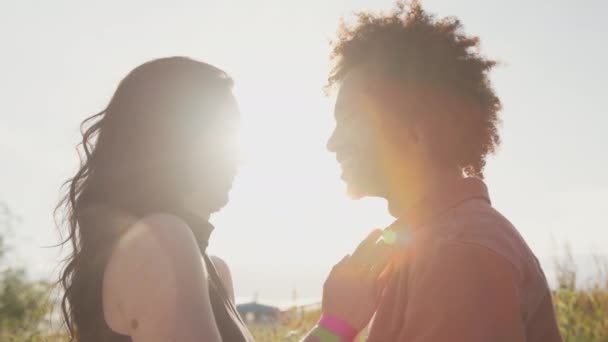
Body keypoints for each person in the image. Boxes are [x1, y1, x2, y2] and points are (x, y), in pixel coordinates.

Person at [57, 57, 388, 342]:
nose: (239, 158)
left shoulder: (210, 267)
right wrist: (335, 324)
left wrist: (334, 322)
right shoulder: (161, 240)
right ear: (177, 140)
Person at [325, 2, 563, 341]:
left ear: (416, 128)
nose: (332, 143)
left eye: (348, 117)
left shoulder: (457, 253)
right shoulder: (439, 241)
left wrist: (333, 328)